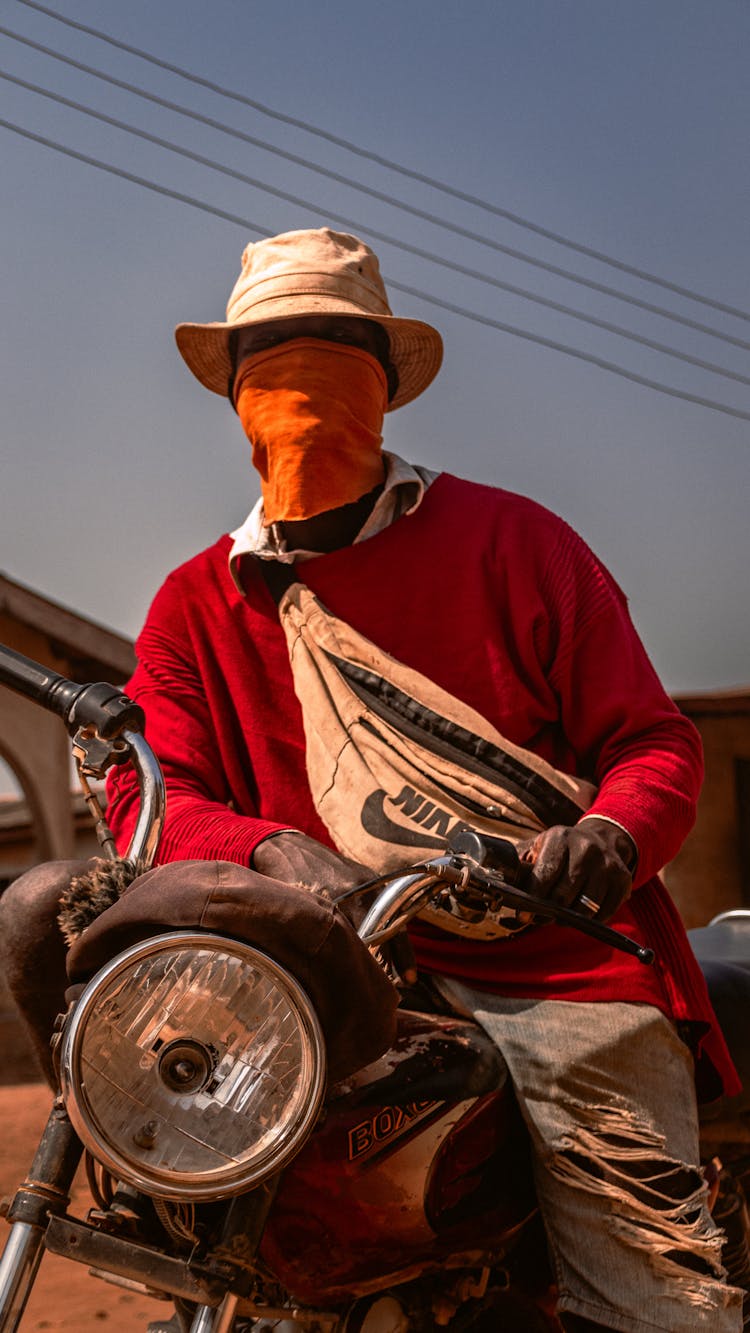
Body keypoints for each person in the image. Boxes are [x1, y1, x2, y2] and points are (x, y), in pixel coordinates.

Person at [0, 228, 743, 1332]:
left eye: (334, 348)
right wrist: (270, 850)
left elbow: (654, 743)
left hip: (554, 968)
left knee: (654, 1296)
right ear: (237, 393)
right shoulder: (194, 604)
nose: (301, 378)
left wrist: (611, 835)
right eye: (272, 354)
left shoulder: (519, 544)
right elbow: (147, 800)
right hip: (308, 981)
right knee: (196, 1221)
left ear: (385, 382)